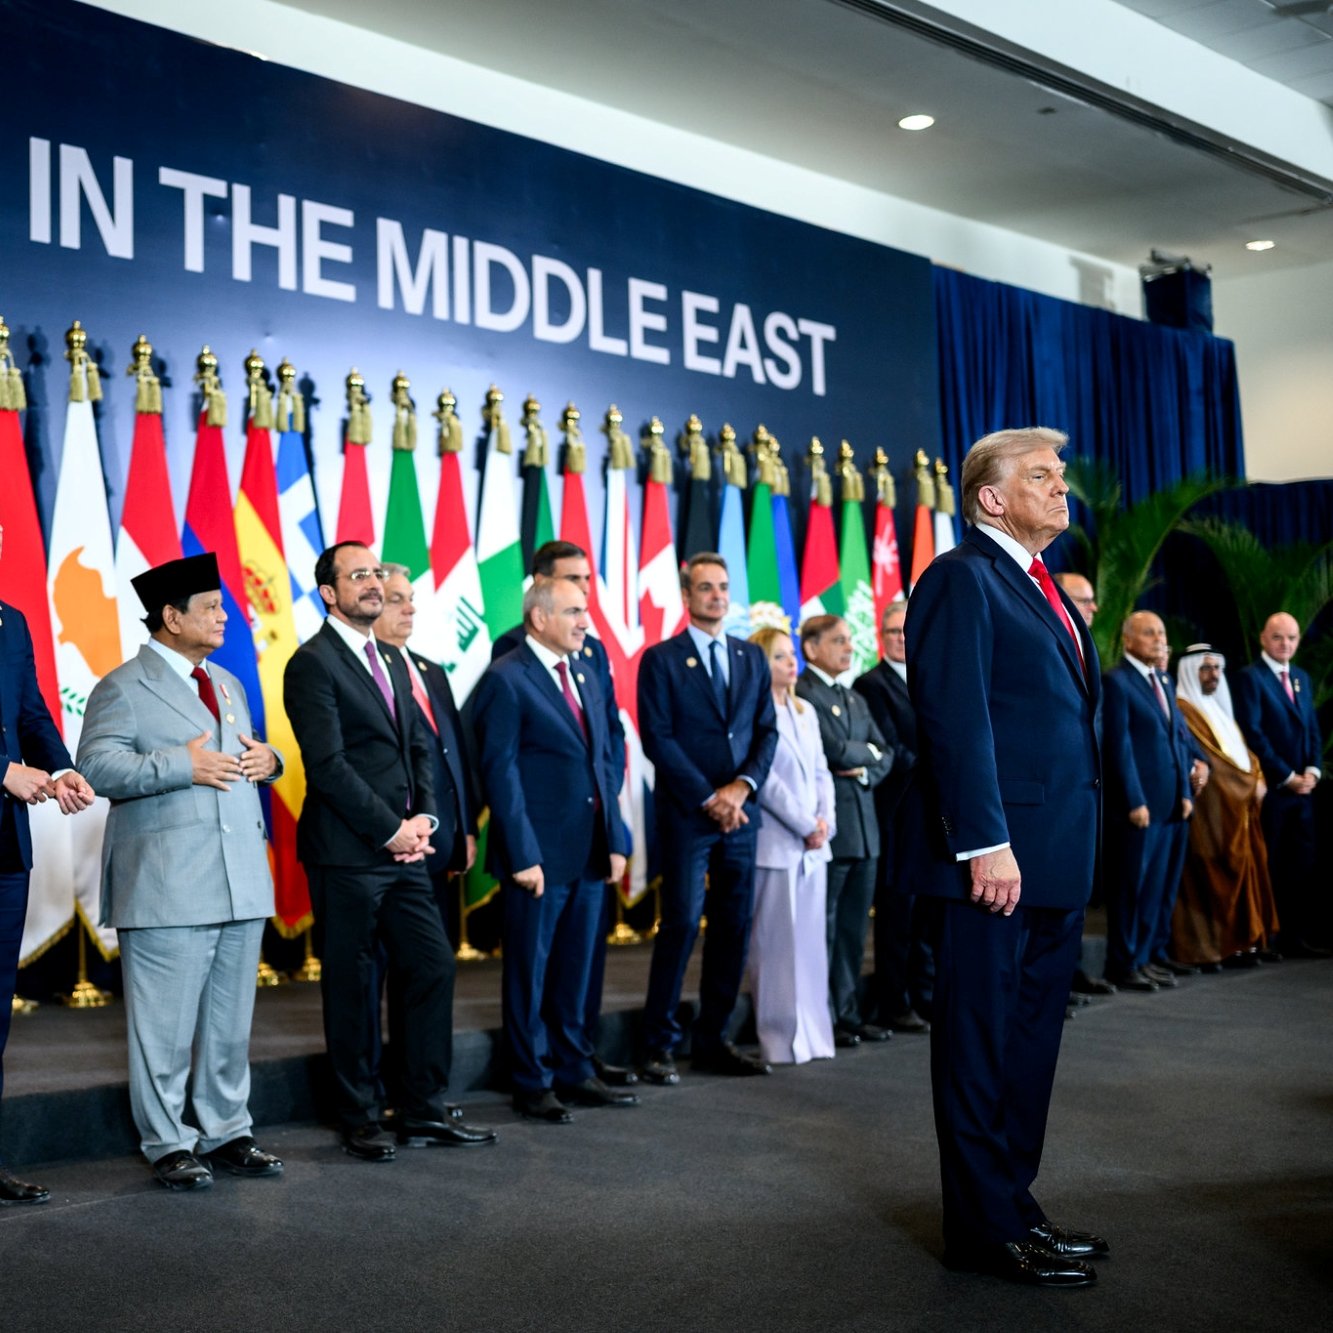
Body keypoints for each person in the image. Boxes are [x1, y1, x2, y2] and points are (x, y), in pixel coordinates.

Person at [901, 426, 1106, 1288]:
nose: (1062, 490)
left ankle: (1015, 1208)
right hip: (995, 862)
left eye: (1061, 477)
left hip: (1053, 858)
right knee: (981, 1045)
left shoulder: (1040, 586)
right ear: (991, 496)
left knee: (1028, 1047)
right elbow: (955, 718)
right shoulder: (958, 578)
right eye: (1041, 477)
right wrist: (985, 841)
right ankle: (983, 1229)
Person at [78, 553, 282, 1191]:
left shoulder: (225, 682)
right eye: (212, 607)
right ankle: (167, 1141)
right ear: (171, 617)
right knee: (161, 1030)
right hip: (167, 885)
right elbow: (99, 769)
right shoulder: (120, 687)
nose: (225, 616)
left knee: (229, 1024)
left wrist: (269, 762)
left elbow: (242, 758)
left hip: (239, 878)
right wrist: (178, 766)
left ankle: (227, 1130)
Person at [283, 543, 495, 1160]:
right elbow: (327, 768)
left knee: (431, 964)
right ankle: (359, 1114)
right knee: (351, 986)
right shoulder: (312, 664)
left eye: (377, 573)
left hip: (406, 852)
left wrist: (424, 820)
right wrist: (390, 829)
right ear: (329, 593)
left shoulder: (394, 660)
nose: (373, 583)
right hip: (349, 854)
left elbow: (419, 751)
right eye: (359, 576)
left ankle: (423, 1108)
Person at [473, 580, 635, 1122]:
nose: (584, 621)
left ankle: (574, 1069)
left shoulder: (585, 671)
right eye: (573, 611)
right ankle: (532, 1078)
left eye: (584, 611)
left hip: (589, 852)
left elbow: (604, 762)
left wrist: (615, 840)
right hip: (537, 858)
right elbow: (501, 772)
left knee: (576, 970)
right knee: (530, 972)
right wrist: (521, 854)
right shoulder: (506, 678)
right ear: (538, 619)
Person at [637, 552, 777, 1084]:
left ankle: (712, 1039)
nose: (717, 596)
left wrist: (740, 790)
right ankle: (657, 1043)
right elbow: (659, 739)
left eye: (722, 587)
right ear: (687, 596)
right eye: (706, 588)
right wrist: (709, 798)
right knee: (678, 925)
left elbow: (767, 731)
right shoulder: (662, 659)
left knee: (733, 928)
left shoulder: (749, 657)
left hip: (741, 816)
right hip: (689, 816)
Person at [1, 523, 96, 1205]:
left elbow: (32, 710)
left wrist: (60, 767)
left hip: (5, 847)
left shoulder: (11, 620)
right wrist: (1, 770)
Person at [374, 565, 478, 1101]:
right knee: (392, 974)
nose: (408, 609)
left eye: (411, 599)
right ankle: (388, 1095)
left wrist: (463, 827)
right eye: (395, 599)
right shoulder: (366, 671)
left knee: (430, 971)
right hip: (385, 848)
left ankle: (425, 1095)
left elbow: (454, 755)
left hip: (437, 842)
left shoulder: (430, 670)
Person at [796, 615, 893, 1046]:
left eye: (850, 640)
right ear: (812, 648)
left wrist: (865, 766)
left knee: (854, 931)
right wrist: (863, 756)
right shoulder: (804, 693)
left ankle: (848, 1013)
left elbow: (884, 752)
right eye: (838, 641)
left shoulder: (853, 698)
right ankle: (825, 1014)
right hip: (833, 831)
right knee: (827, 928)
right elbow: (832, 750)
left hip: (866, 830)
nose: (849, 648)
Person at [747, 627, 836, 1064]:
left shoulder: (805, 711)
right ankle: (779, 1039)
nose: (791, 663)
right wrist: (804, 824)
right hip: (777, 842)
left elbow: (822, 771)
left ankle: (815, 1034)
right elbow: (767, 783)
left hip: (813, 846)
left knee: (810, 946)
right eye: (780, 656)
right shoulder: (756, 713)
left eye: (791, 655)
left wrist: (824, 823)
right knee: (775, 947)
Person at [1100, 612, 1194, 992]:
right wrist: (1134, 800)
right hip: (1139, 809)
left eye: (1162, 632)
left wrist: (1186, 793)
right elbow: (1119, 747)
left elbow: (1177, 740)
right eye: (1149, 633)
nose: (1159, 639)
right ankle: (1122, 963)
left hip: (1171, 803)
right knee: (1131, 889)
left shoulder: (1165, 680)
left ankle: (1145, 957)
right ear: (1128, 641)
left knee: (1156, 886)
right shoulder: (1117, 681)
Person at [1171, 646, 1279, 968]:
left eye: (1217, 669)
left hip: (1238, 811)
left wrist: (1258, 775)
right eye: (1205, 669)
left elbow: (1244, 753)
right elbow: (1216, 763)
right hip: (1212, 815)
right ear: (1191, 671)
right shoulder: (1184, 708)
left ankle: (1245, 943)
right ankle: (1218, 948)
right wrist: (1249, 783)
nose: (1213, 675)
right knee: (1213, 881)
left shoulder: (1217, 709)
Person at [853, 602, 932, 1031]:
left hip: (932, 816)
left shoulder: (931, 677)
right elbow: (888, 748)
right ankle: (894, 1002)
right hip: (896, 813)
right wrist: (939, 763)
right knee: (897, 916)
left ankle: (925, 995)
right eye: (893, 632)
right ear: (881, 638)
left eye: (907, 631)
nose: (902, 638)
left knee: (926, 916)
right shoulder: (871, 684)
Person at [1233, 613, 1326, 956]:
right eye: (1278, 637)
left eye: (1291, 638)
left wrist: (1313, 771)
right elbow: (1253, 733)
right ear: (1263, 638)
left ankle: (1295, 936)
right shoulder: (1250, 679)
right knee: (1270, 863)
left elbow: (1312, 729)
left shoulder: (1301, 677)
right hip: (1273, 790)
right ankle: (1268, 938)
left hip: (1304, 791)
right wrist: (1287, 776)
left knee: (1301, 864)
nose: (1285, 644)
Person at [1052, 572, 1116, 1001]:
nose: (1092, 608)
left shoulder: (1084, 646)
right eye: (1084, 599)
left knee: (1072, 899)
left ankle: (1070, 976)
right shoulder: (1051, 642)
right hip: (1051, 796)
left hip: (1083, 797)